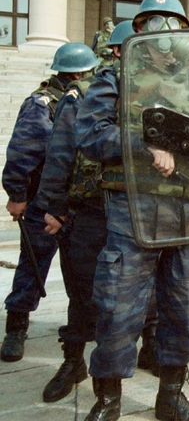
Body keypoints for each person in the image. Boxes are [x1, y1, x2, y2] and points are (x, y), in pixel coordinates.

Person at [75, 0, 189, 421]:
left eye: (171, 23)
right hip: (131, 212)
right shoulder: (115, 78)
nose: (163, 33)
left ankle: (171, 396)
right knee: (116, 307)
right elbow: (91, 137)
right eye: (152, 23)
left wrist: (175, 140)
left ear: (187, 32)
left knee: (180, 307)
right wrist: (144, 143)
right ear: (139, 31)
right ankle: (108, 400)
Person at [35, 22, 157, 404]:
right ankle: (74, 361)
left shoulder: (156, 91)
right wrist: (53, 207)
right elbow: (60, 153)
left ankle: (150, 348)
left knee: (146, 290)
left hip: (135, 209)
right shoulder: (85, 93)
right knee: (84, 293)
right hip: (89, 211)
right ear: (116, 52)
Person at [1, 43, 100, 363]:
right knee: (32, 266)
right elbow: (23, 151)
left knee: (80, 272)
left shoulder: (85, 98)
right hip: (43, 202)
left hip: (75, 203)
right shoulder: (42, 103)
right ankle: (16, 327)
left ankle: (82, 325)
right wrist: (17, 195)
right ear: (79, 72)